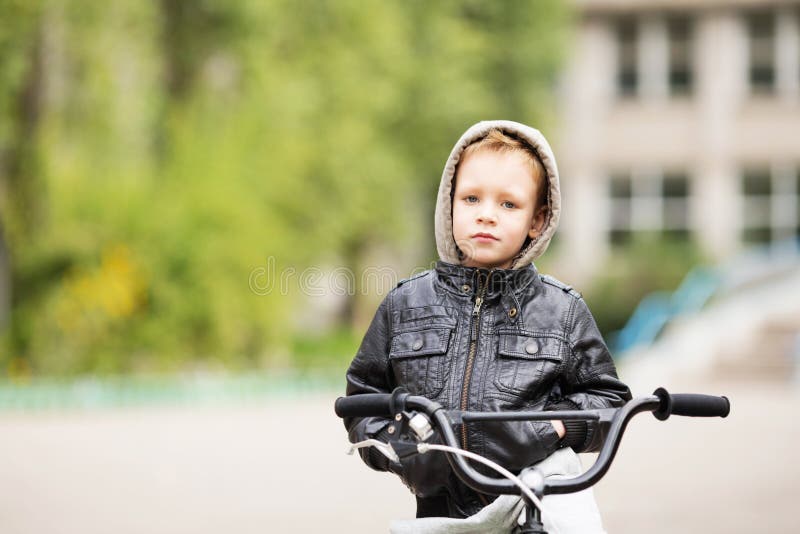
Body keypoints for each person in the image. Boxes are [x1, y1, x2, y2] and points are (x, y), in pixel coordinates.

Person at [342, 120, 631, 528]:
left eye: (508, 204)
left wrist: (554, 426)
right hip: (439, 511)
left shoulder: (561, 311)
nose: (487, 216)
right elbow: (362, 397)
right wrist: (397, 447)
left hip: (530, 505)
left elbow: (608, 399)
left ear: (537, 219)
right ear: (449, 204)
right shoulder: (405, 303)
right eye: (472, 199)